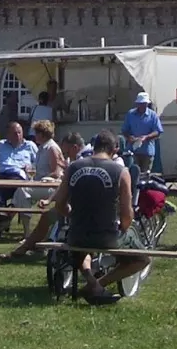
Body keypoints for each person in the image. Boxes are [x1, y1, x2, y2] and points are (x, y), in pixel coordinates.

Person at [55, 130, 150, 303]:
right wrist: (123, 227)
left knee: (82, 249)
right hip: (106, 236)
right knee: (142, 259)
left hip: (77, 234)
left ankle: (91, 281)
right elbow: (127, 214)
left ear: (94, 146)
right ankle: (97, 285)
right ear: (114, 149)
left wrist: (70, 213)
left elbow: (59, 203)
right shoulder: (121, 171)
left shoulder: (73, 167)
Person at [121, 92, 163, 173]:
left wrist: (146, 137)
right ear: (137, 104)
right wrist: (129, 137)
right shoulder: (130, 114)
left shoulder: (153, 115)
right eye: (140, 103)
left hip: (147, 151)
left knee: (145, 175)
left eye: (144, 103)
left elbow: (158, 131)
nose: (142, 105)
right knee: (132, 174)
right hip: (132, 151)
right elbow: (124, 130)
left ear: (147, 104)